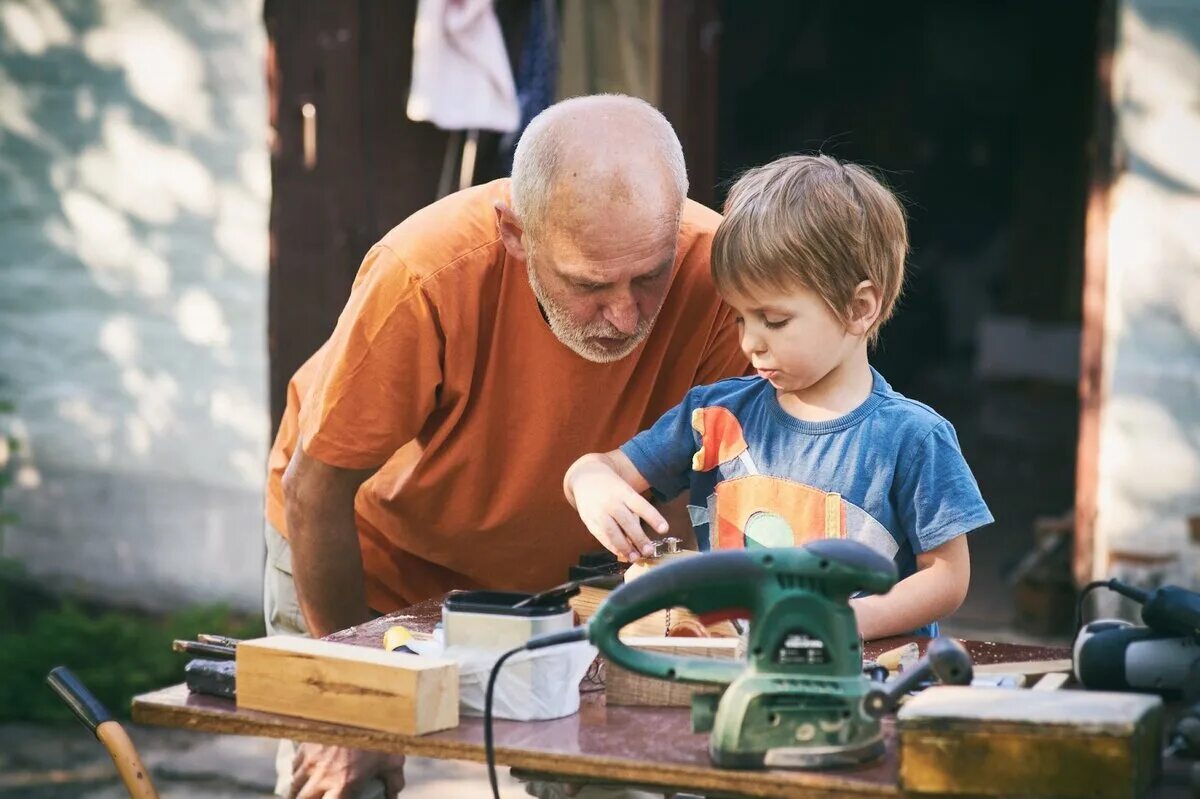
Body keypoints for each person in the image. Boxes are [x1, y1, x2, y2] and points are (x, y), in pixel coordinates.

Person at [264, 94, 748, 797]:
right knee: (345, 779)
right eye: (589, 284)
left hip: (574, 583)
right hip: (368, 558)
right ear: (516, 233)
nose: (624, 314)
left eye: (649, 276)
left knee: (616, 778)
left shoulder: (720, 275)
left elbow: (710, 503)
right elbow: (315, 490)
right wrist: (350, 706)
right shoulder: (425, 273)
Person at [563, 154, 993, 640]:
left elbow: (947, 578)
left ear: (859, 308)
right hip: (735, 675)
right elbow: (603, 469)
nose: (750, 343)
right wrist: (589, 481)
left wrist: (842, 623)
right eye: (740, 319)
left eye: (775, 320)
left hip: (863, 681)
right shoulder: (715, 417)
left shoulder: (912, 439)